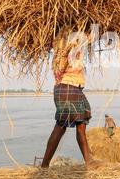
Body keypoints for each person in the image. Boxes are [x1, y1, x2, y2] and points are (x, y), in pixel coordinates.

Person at [41, 34, 101, 170]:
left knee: (81, 125)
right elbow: (91, 37)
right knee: (61, 126)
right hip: (67, 87)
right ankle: (44, 165)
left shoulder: (64, 43)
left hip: (74, 88)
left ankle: (88, 162)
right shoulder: (65, 44)